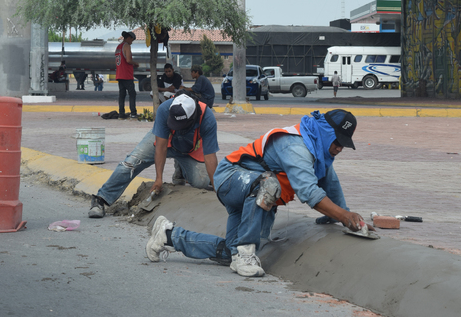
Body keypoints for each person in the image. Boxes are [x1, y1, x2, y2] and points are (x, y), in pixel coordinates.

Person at [144, 109, 373, 278]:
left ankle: (169, 235)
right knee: (269, 186)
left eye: (344, 144)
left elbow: (330, 185)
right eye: (337, 141)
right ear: (325, 132)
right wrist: (343, 215)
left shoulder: (320, 153)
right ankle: (245, 251)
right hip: (231, 179)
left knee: (229, 252)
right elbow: (309, 192)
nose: (340, 148)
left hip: (254, 196)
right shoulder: (295, 145)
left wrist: (348, 219)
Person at [88, 94, 219, 218]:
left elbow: (210, 157)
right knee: (131, 164)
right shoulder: (165, 109)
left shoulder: (207, 118)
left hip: (187, 149)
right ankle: (101, 199)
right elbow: (160, 147)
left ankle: (181, 169)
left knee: (201, 181)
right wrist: (158, 178)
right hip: (164, 140)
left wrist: (217, 188)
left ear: (193, 117)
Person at [116, 31, 139, 118]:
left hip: (119, 74)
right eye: (132, 40)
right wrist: (135, 63)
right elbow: (128, 60)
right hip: (126, 74)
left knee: (122, 95)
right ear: (129, 38)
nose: (131, 43)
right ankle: (133, 113)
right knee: (132, 94)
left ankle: (121, 113)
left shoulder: (118, 47)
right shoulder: (127, 46)